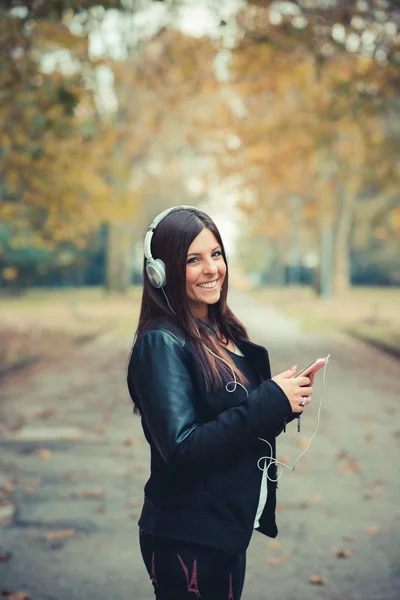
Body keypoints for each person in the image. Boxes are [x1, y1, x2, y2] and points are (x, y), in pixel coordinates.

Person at [127, 206, 313, 600]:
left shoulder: (220, 330)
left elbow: (231, 422)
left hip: (224, 531)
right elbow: (183, 449)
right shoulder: (161, 341)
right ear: (160, 271)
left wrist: (283, 402)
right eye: (193, 259)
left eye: (216, 254)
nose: (211, 268)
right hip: (186, 536)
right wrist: (266, 403)